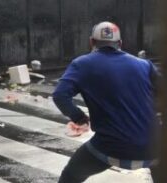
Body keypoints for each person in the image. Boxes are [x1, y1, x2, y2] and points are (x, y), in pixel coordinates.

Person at [53, 22, 160, 183]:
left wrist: (79, 117)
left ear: (91, 42)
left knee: (71, 175)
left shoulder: (82, 64)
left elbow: (60, 95)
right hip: (155, 145)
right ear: (121, 43)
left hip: (111, 146)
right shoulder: (144, 64)